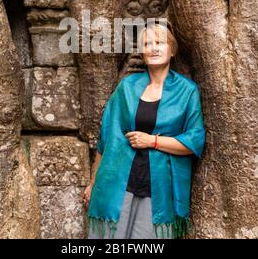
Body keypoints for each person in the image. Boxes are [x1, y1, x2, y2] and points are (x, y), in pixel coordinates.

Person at [83, 20, 206, 239]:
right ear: (142, 52)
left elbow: (195, 140)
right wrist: (93, 183)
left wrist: (152, 141)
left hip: (159, 188)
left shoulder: (187, 91)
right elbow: (107, 138)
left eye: (160, 42)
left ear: (172, 50)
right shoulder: (127, 87)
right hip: (118, 183)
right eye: (148, 44)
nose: (154, 48)